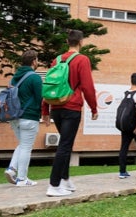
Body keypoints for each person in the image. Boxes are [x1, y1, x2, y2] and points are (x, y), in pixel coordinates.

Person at [42, 29, 99, 197]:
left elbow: (49, 85)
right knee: (65, 145)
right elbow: (88, 87)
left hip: (56, 107)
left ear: (67, 42)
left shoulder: (56, 60)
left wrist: (45, 110)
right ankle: (54, 185)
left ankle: (65, 179)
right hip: (72, 107)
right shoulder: (82, 60)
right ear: (81, 42)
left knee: (66, 144)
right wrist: (94, 108)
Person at [4, 49, 43, 187]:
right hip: (29, 117)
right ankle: (22, 179)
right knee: (26, 147)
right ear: (34, 61)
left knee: (22, 145)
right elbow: (40, 98)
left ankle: (11, 169)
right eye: (37, 60)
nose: (38, 62)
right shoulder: (35, 77)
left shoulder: (15, 77)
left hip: (15, 118)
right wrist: (44, 115)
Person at [118, 72, 136, 179]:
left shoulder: (124, 93)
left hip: (125, 125)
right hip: (135, 125)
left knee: (124, 147)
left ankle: (122, 171)